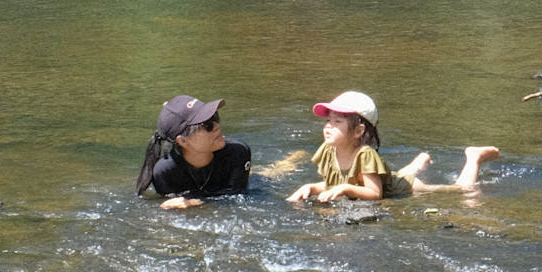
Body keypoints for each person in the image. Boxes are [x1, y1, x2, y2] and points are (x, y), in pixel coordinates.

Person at [287, 91, 499, 203]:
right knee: (392, 173)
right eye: (327, 121)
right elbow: (331, 184)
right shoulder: (327, 150)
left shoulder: (365, 154)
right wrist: (311, 188)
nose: (328, 127)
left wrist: (345, 189)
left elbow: (374, 193)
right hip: (386, 178)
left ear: (359, 131)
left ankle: (474, 157)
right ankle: (418, 162)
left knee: (460, 191)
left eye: (337, 122)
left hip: (400, 189)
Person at [137, 95, 250, 208]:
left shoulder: (238, 153)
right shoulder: (165, 172)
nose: (217, 126)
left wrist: (193, 202)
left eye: (214, 118)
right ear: (183, 141)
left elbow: (236, 199)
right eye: (208, 125)